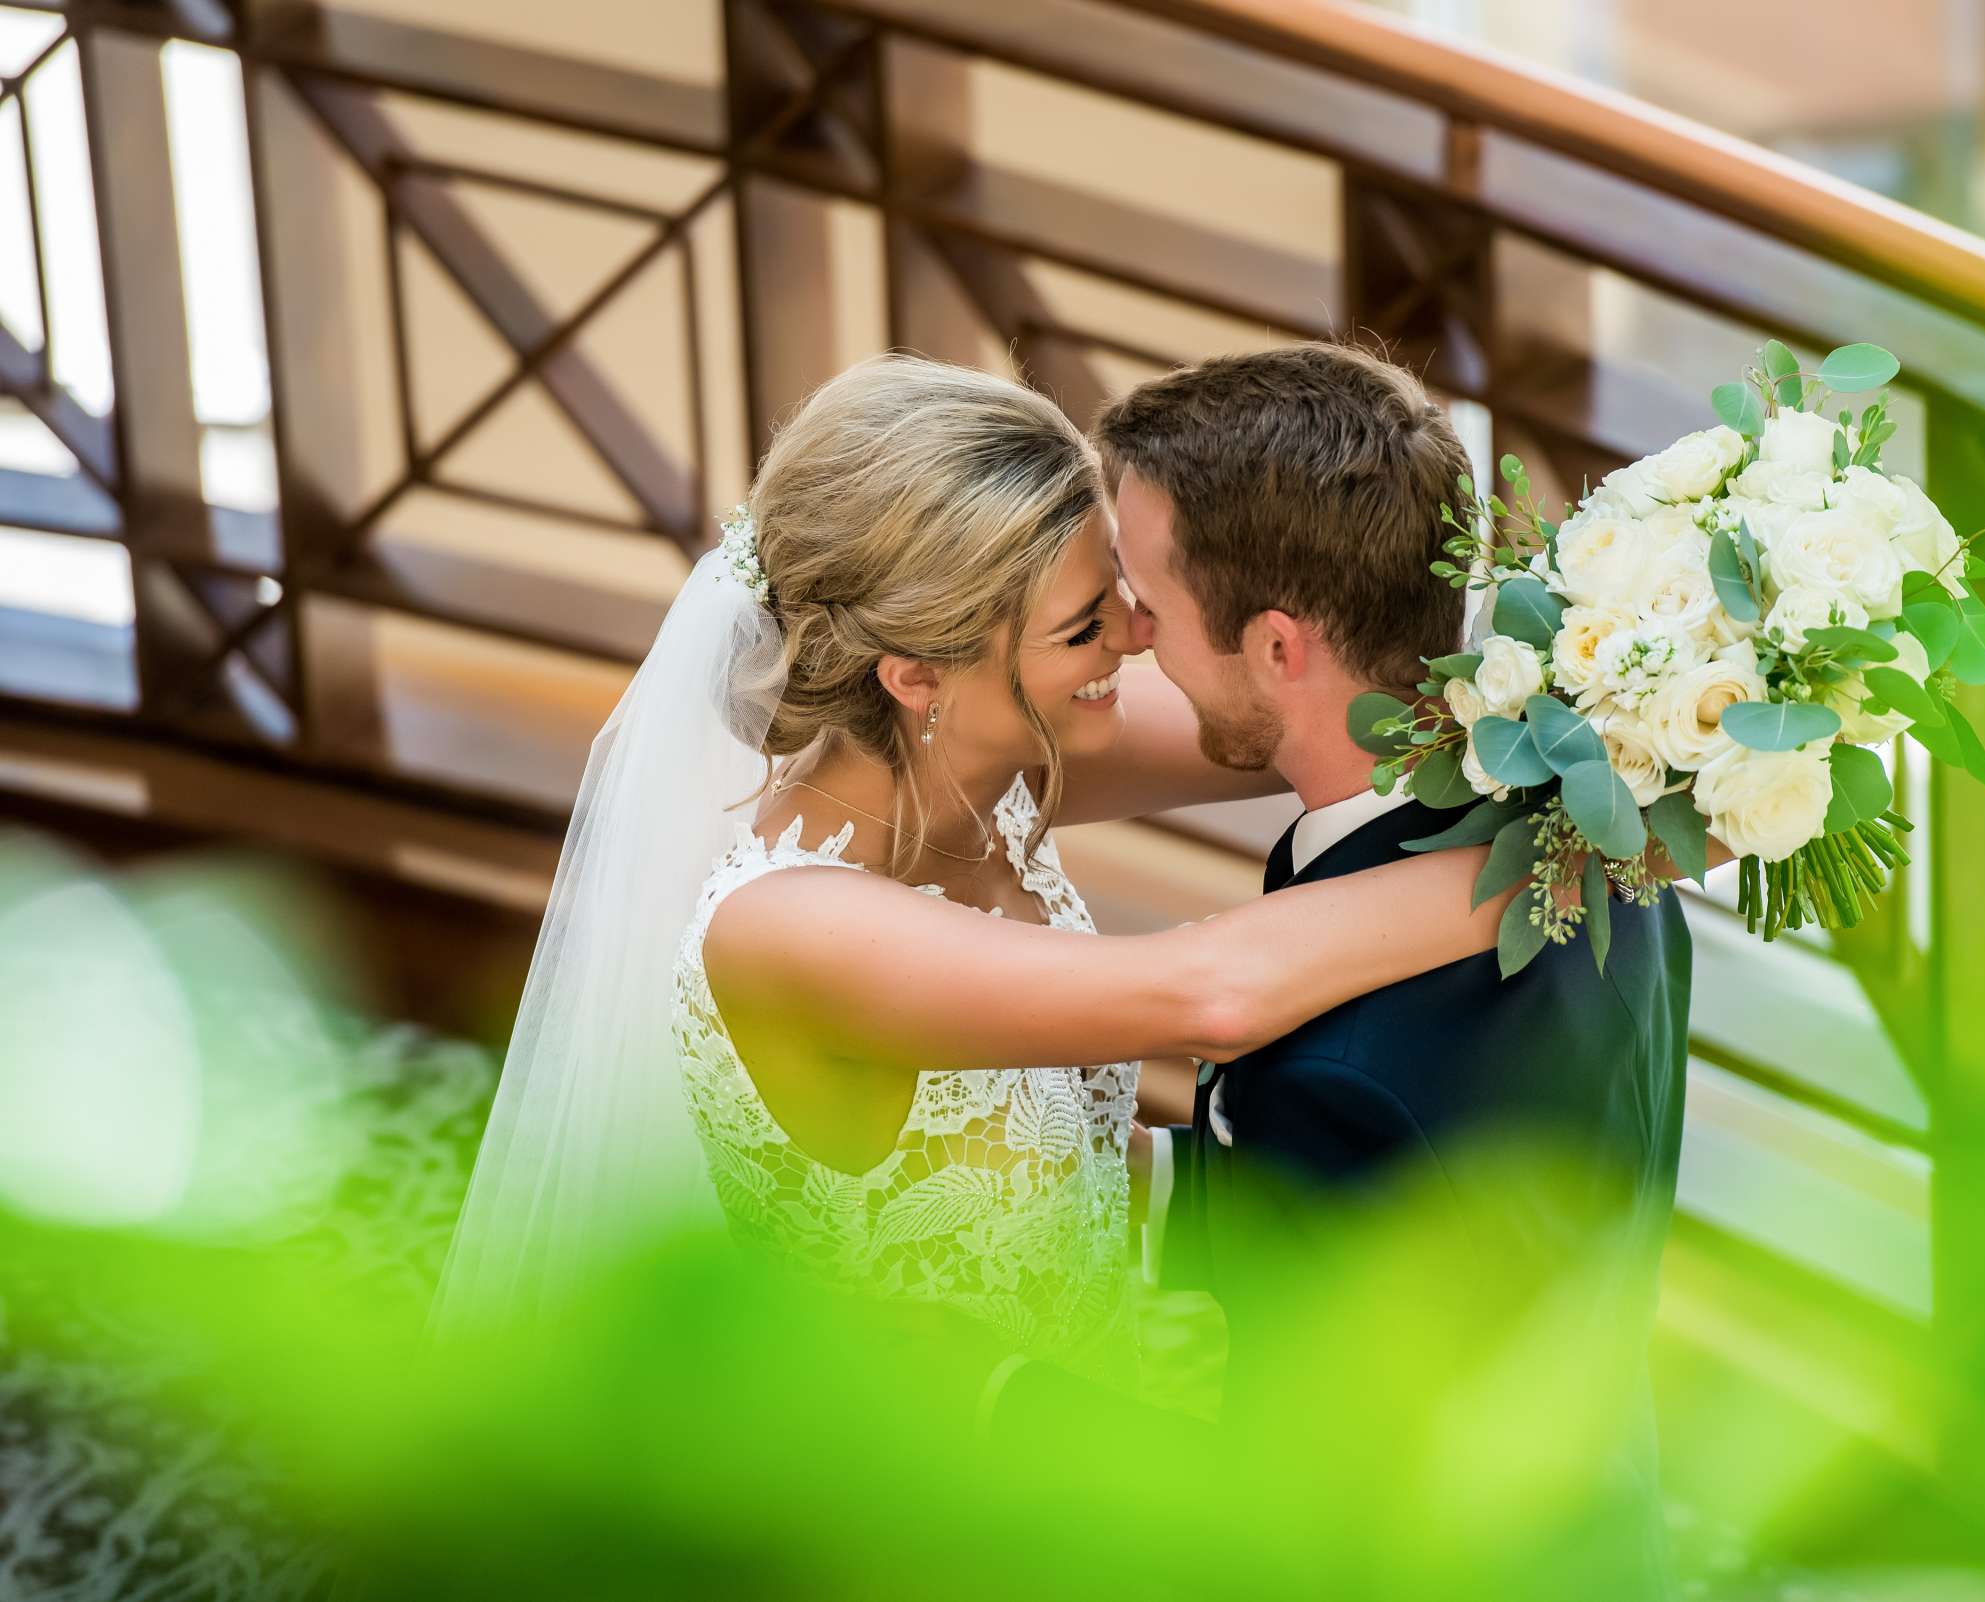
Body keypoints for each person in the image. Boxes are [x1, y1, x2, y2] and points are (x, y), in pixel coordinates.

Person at [432, 355, 1507, 1389]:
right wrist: (1562, 861)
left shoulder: (1001, 758)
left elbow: (1322, 714)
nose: (1137, 636)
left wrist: (1630, 700)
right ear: (917, 675)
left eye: (1121, 590)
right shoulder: (790, 929)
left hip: (1069, 1399)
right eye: (1086, 626)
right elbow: (1208, 996)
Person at [995, 344, 1692, 1593]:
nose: (1129, 637)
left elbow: (1288, 1508)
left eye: (1145, 600)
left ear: (1277, 649)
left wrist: (995, 1403)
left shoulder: (1330, 1076)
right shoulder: (1601, 845)